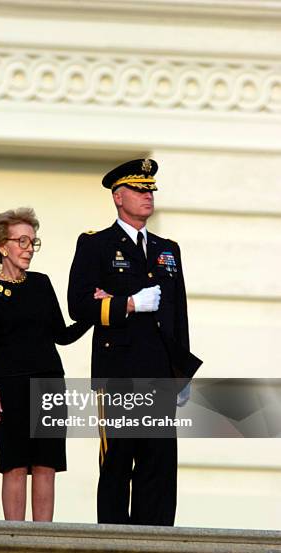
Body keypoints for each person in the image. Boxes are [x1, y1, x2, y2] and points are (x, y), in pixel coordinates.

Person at [68, 158, 202, 526]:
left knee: (158, 462)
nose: (148, 197)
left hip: (160, 368)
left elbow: (178, 313)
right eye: (140, 190)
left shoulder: (167, 247)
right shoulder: (95, 244)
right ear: (118, 196)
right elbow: (79, 305)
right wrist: (127, 304)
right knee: (117, 459)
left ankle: (156, 546)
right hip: (119, 370)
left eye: (150, 190)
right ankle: (112, 544)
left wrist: (181, 370)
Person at [0, 207, 91, 522]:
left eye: (33, 242)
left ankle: (44, 539)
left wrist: (96, 312)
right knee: (13, 465)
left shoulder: (41, 283)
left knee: (45, 464)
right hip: (9, 384)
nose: (28, 249)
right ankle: (14, 540)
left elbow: (61, 335)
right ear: (2, 246)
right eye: (22, 241)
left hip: (49, 382)